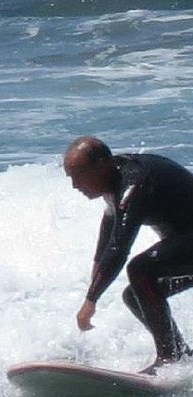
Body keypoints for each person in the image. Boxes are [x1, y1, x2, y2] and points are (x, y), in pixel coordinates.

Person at [64, 135, 193, 372]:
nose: (75, 185)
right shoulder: (114, 179)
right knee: (136, 295)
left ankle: (168, 358)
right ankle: (180, 353)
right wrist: (97, 265)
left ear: (102, 165)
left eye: (79, 176)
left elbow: (120, 248)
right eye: (71, 178)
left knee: (139, 269)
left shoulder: (134, 184)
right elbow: (110, 222)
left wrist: (90, 301)